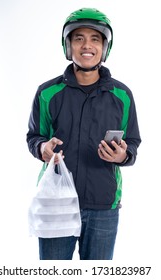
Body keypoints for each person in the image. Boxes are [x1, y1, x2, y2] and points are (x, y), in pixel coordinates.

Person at [26, 7, 141, 260]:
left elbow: (132, 142)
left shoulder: (122, 96)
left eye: (95, 39)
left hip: (103, 206)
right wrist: (41, 148)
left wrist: (122, 155)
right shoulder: (47, 93)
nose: (86, 45)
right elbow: (34, 136)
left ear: (105, 47)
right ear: (68, 45)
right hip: (56, 204)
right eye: (78, 38)